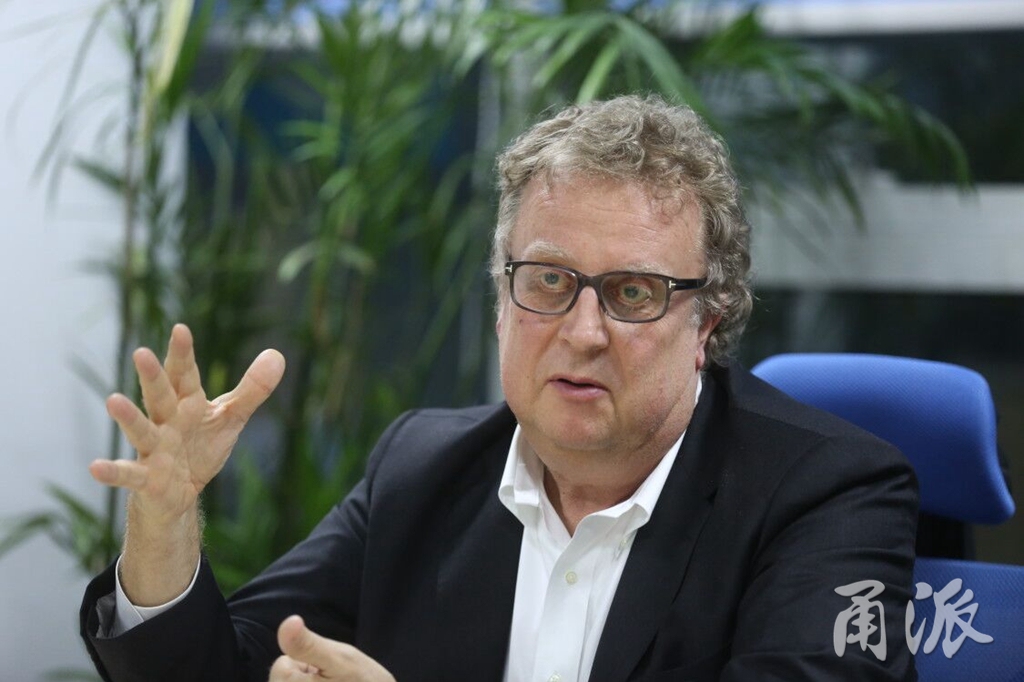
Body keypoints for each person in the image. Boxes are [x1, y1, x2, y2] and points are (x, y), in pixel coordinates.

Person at [80, 95, 918, 681]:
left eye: (633, 293)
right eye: (549, 281)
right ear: (500, 303)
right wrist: (165, 528)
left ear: (706, 324)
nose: (583, 331)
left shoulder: (829, 492)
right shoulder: (423, 468)